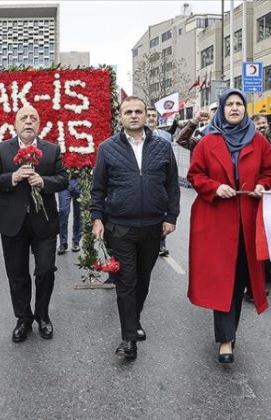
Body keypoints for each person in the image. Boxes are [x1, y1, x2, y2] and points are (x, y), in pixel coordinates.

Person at [187, 89, 271, 364]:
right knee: (221, 278)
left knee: (238, 278)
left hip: (247, 220)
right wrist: (215, 187)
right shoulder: (207, 141)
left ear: (245, 109)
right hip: (215, 221)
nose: (235, 108)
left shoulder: (259, 141)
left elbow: (269, 171)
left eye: (239, 104)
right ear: (222, 109)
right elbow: (195, 175)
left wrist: (262, 185)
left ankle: (229, 333)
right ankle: (225, 339)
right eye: (230, 104)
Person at [91, 96, 180, 359]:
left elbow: (172, 185)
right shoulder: (107, 148)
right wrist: (98, 218)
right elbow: (98, 188)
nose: (133, 115)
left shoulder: (162, 147)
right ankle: (128, 338)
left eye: (138, 111)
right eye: (128, 111)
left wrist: (171, 216)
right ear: (120, 117)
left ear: (145, 116)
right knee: (126, 282)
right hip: (120, 227)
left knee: (142, 280)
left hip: (152, 227)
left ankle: (135, 317)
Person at [0, 105, 68, 344]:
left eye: (33, 118)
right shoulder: (2, 149)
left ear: (39, 124)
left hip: (44, 223)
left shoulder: (52, 150)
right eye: (24, 118)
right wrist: (12, 177)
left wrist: (43, 181)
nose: (29, 122)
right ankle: (23, 318)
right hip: (13, 224)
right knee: (17, 274)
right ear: (16, 124)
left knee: (44, 270)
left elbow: (63, 179)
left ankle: (42, 315)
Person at [146, 106, 174, 257]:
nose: (151, 118)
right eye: (148, 115)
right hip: (147, 182)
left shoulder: (165, 136)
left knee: (163, 213)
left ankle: (161, 244)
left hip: (162, 181)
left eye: (153, 116)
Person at [57, 175, 82, 255]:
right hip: (65, 180)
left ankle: (76, 240)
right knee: (63, 211)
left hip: (79, 180)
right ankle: (63, 242)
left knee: (79, 213)